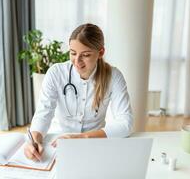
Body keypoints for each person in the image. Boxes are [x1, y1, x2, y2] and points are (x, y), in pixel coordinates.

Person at [24, 23, 133, 162]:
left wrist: (81, 138)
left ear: (100, 52)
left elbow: (125, 124)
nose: (77, 61)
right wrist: (35, 140)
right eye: (73, 53)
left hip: (95, 144)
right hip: (59, 143)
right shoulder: (56, 73)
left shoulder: (114, 76)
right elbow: (43, 114)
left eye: (85, 55)